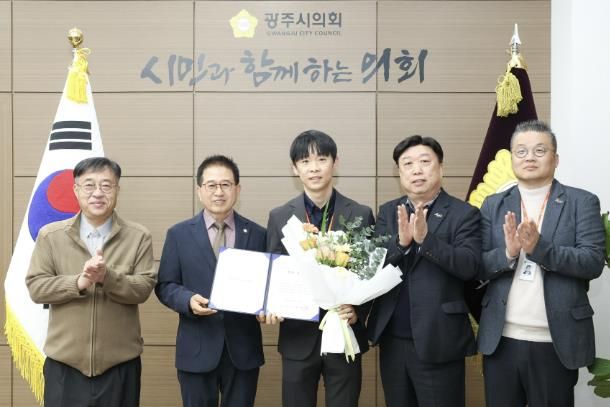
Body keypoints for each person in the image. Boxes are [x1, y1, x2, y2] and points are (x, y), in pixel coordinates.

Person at [477, 120, 606, 407]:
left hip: (555, 341)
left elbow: (592, 262)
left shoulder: (581, 202)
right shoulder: (493, 204)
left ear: (555, 159)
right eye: (521, 151)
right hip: (501, 340)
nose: (530, 157)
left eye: (539, 150)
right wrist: (508, 253)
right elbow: (479, 266)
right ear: (512, 158)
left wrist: (540, 249)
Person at [26, 157, 156, 407]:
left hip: (120, 366)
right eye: (89, 185)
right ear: (76, 190)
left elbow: (142, 289)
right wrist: (80, 281)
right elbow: (36, 288)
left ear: (117, 190)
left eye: (106, 185)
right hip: (64, 365)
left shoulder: (138, 236)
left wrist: (107, 277)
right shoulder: (51, 236)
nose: (98, 193)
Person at [367, 135, 481, 407]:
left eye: (424, 162)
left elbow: (470, 266)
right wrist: (401, 244)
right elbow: (372, 266)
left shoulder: (464, 213)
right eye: (407, 164)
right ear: (399, 173)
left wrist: (426, 241)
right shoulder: (388, 212)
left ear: (441, 168)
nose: (416, 170)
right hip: (393, 339)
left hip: (439, 339)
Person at [265, 130, 374, 407]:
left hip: (345, 333)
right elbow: (275, 273)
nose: (314, 168)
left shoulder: (361, 214)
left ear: (335, 163)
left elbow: (370, 274)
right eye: (305, 161)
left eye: (321, 159)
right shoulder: (279, 217)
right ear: (295, 168)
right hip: (297, 337)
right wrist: (272, 304)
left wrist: (358, 310)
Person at [155, 155, 266, 407]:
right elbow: (165, 285)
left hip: (243, 350)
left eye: (226, 184)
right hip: (196, 349)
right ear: (199, 190)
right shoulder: (179, 234)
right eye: (211, 185)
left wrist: (267, 307)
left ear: (238, 189)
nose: (219, 192)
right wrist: (187, 300)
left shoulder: (258, 234)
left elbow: (267, 285)